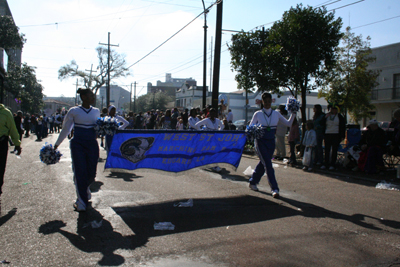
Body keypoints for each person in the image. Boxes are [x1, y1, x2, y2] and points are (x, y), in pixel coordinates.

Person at [54, 88, 100, 212]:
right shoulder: (74, 111)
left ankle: (85, 190)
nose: (93, 98)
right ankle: (81, 202)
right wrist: (56, 144)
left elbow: (99, 128)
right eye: (90, 96)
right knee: (80, 172)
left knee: (91, 174)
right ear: (84, 97)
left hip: (92, 145)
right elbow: (66, 129)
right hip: (78, 145)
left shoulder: (96, 111)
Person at [248, 92, 296, 198]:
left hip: (271, 142)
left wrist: (294, 112)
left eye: (269, 101)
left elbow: (288, 123)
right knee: (268, 165)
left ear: (271, 101)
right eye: (265, 102)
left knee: (264, 163)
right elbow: (250, 128)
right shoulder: (258, 114)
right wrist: (254, 130)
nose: (267, 103)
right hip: (260, 142)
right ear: (262, 102)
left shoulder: (276, 114)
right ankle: (274, 188)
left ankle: (252, 182)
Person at [0, 104, 22, 203]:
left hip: (1, 143)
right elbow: (13, 129)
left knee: (0, 168)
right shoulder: (6, 113)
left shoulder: (5, 113)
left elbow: (12, 129)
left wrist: (17, 144)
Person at [195, 108, 224, 172]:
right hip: (208, 138)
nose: (213, 114)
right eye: (211, 113)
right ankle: (211, 164)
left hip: (215, 138)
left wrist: (219, 131)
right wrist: (202, 132)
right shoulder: (207, 120)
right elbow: (197, 125)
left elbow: (222, 126)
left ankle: (214, 165)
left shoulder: (217, 120)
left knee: (214, 151)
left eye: (214, 113)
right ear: (209, 114)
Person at [321, 104, 345, 171]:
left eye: (335, 109)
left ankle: (332, 164)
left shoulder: (339, 117)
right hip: (327, 134)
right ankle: (326, 163)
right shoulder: (327, 116)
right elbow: (322, 123)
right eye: (332, 109)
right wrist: (325, 117)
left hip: (336, 134)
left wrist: (342, 136)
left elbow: (343, 126)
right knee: (327, 149)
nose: (333, 110)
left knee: (334, 150)